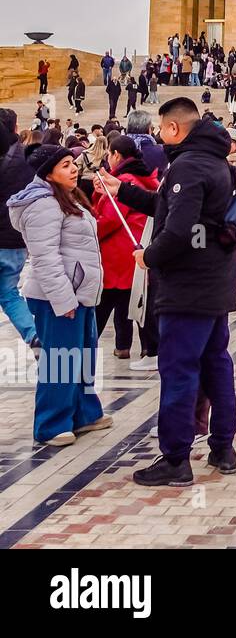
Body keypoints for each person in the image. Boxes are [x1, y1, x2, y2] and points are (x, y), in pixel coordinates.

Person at [97, 98, 236, 485]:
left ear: (174, 128)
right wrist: (121, 190)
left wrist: (149, 257)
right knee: (216, 364)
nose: (159, 136)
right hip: (215, 281)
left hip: (189, 286)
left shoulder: (189, 165)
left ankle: (176, 458)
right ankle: (223, 447)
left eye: (162, 128)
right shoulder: (215, 162)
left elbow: (177, 230)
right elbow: (169, 207)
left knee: (178, 370)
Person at [6, 145, 111, 446]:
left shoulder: (67, 196)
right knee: (60, 360)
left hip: (79, 292)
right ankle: (51, 424)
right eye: (65, 165)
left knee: (83, 355)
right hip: (57, 296)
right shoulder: (43, 205)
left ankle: (84, 414)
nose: (74, 169)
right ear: (48, 173)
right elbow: (45, 258)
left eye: (73, 163)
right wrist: (63, 300)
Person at [91, 135, 159, 358]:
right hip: (133, 250)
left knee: (106, 304)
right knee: (129, 300)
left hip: (118, 253)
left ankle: (86, 346)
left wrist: (89, 232)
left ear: (116, 155)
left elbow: (111, 218)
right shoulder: (143, 177)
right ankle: (128, 346)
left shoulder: (126, 180)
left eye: (109, 154)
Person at [0, 108, 38, 347]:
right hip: (15, 239)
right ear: (15, 128)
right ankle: (33, 334)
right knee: (9, 293)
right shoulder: (26, 159)